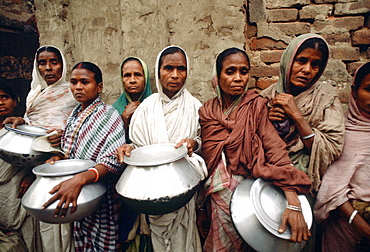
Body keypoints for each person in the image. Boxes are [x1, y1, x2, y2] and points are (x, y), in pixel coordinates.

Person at [198, 47, 312, 251]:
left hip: (246, 196)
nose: (238, 78)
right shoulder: (207, 111)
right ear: (218, 76)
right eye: (230, 71)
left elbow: (274, 148)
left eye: (244, 71)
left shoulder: (256, 106)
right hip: (215, 194)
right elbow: (208, 158)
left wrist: (293, 202)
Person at [116, 46, 207, 252]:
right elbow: (139, 146)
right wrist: (128, 148)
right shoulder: (146, 108)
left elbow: (202, 143)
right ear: (158, 72)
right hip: (152, 194)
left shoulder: (195, 107)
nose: (175, 75)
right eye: (168, 68)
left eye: (181, 69)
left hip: (184, 192)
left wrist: (194, 144)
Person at [260, 34, 345, 250]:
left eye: (316, 65)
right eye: (301, 61)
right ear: (288, 60)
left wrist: (296, 115)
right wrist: (266, 123)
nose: (308, 70)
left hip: (304, 186)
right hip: (267, 184)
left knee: (298, 242)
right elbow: (252, 144)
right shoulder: (265, 97)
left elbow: (332, 147)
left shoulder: (325, 97)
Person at [42, 62, 126, 251]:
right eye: (74, 82)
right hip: (76, 195)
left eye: (85, 82)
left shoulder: (108, 114)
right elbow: (71, 152)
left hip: (100, 197)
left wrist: (81, 179)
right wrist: (58, 160)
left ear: (99, 87)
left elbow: (113, 159)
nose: (78, 87)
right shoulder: (74, 115)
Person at [4, 45, 78, 252]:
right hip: (32, 163)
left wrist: (63, 136)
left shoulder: (71, 93)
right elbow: (34, 125)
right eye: (42, 63)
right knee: (39, 219)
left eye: (54, 62)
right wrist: (22, 120)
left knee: (60, 220)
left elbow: (75, 127)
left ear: (63, 65)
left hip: (60, 163)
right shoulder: (34, 93)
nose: (48, 68)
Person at [314, 62, 370, 252]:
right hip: (348, 228)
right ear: (354, 92)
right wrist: (360, 224)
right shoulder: (341, 132)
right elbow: (332, 190)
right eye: (369, 89)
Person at [0, 80, 37, 251]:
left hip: (18, 197)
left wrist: (31, 175)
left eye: (5, 97)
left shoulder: (24, 130)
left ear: (15, 102)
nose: (0, 102)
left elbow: (40, 157)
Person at [113, 57, 152, 143]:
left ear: (145, 78)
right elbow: (112, 144)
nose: (132, 80)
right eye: (127, 75)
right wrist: (124, 118)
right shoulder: (114, 110)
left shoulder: (156, 106)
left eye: (138, 75)